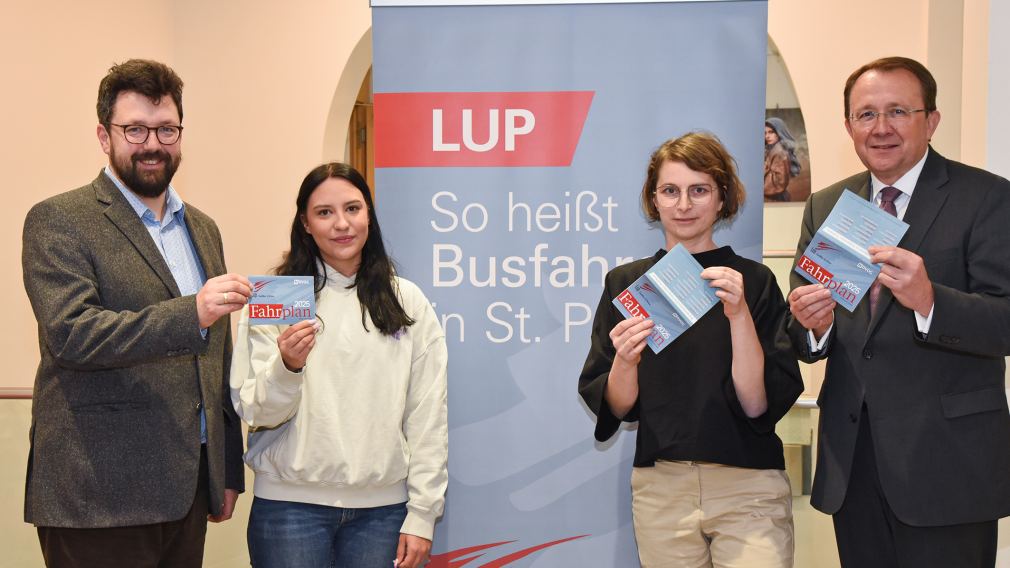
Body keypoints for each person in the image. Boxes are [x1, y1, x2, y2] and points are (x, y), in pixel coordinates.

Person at [21, 59, 249, 566]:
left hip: (188, 491)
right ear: (104, 136)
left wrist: (225, 468)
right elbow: (73, 335)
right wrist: (191, 313)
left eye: (166, 129)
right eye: (136, 129)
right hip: (99, 495)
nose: (152, 144)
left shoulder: (204, 229)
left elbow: (218, 358)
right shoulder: (59, 220)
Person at [787, 56, 1010, 567]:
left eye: (898, 112)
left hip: (949, 467)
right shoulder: (827, 205)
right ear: (848, 126)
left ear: (931, 120)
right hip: (854, 465)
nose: (880, 128)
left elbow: (1005, 322)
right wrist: (813, 326)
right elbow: (801, 334)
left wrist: (931, 301)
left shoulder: (986, 197)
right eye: (865, 115)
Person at [579, 132, 803, 567]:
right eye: (670, 191)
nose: (683, 205)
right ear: (654, 199)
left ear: (722, 198)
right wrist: (626, 358)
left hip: (749, 485)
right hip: (662, 489)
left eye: (698, 190)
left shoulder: (753, 282)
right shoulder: (626, 285)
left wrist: (739, 317)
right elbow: (620, 409)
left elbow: (757, 404)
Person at [230, 162, 448, 568]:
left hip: (383, 514)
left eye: (353, 209)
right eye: (324, 213)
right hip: (288, 510)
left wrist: (422, 514)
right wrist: (287, 367)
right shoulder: (277, 296)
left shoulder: (406, 300)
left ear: (369, 214)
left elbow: (427, 414)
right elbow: (256, 410)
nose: (342, 224)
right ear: (305, 223)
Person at [764, 117, 802, 202]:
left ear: (779, 132)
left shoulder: (779, 152)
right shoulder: (772, 149)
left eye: (771, 132)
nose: (767, 136)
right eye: (765, 133)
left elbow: (779, 183)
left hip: (775, 199)